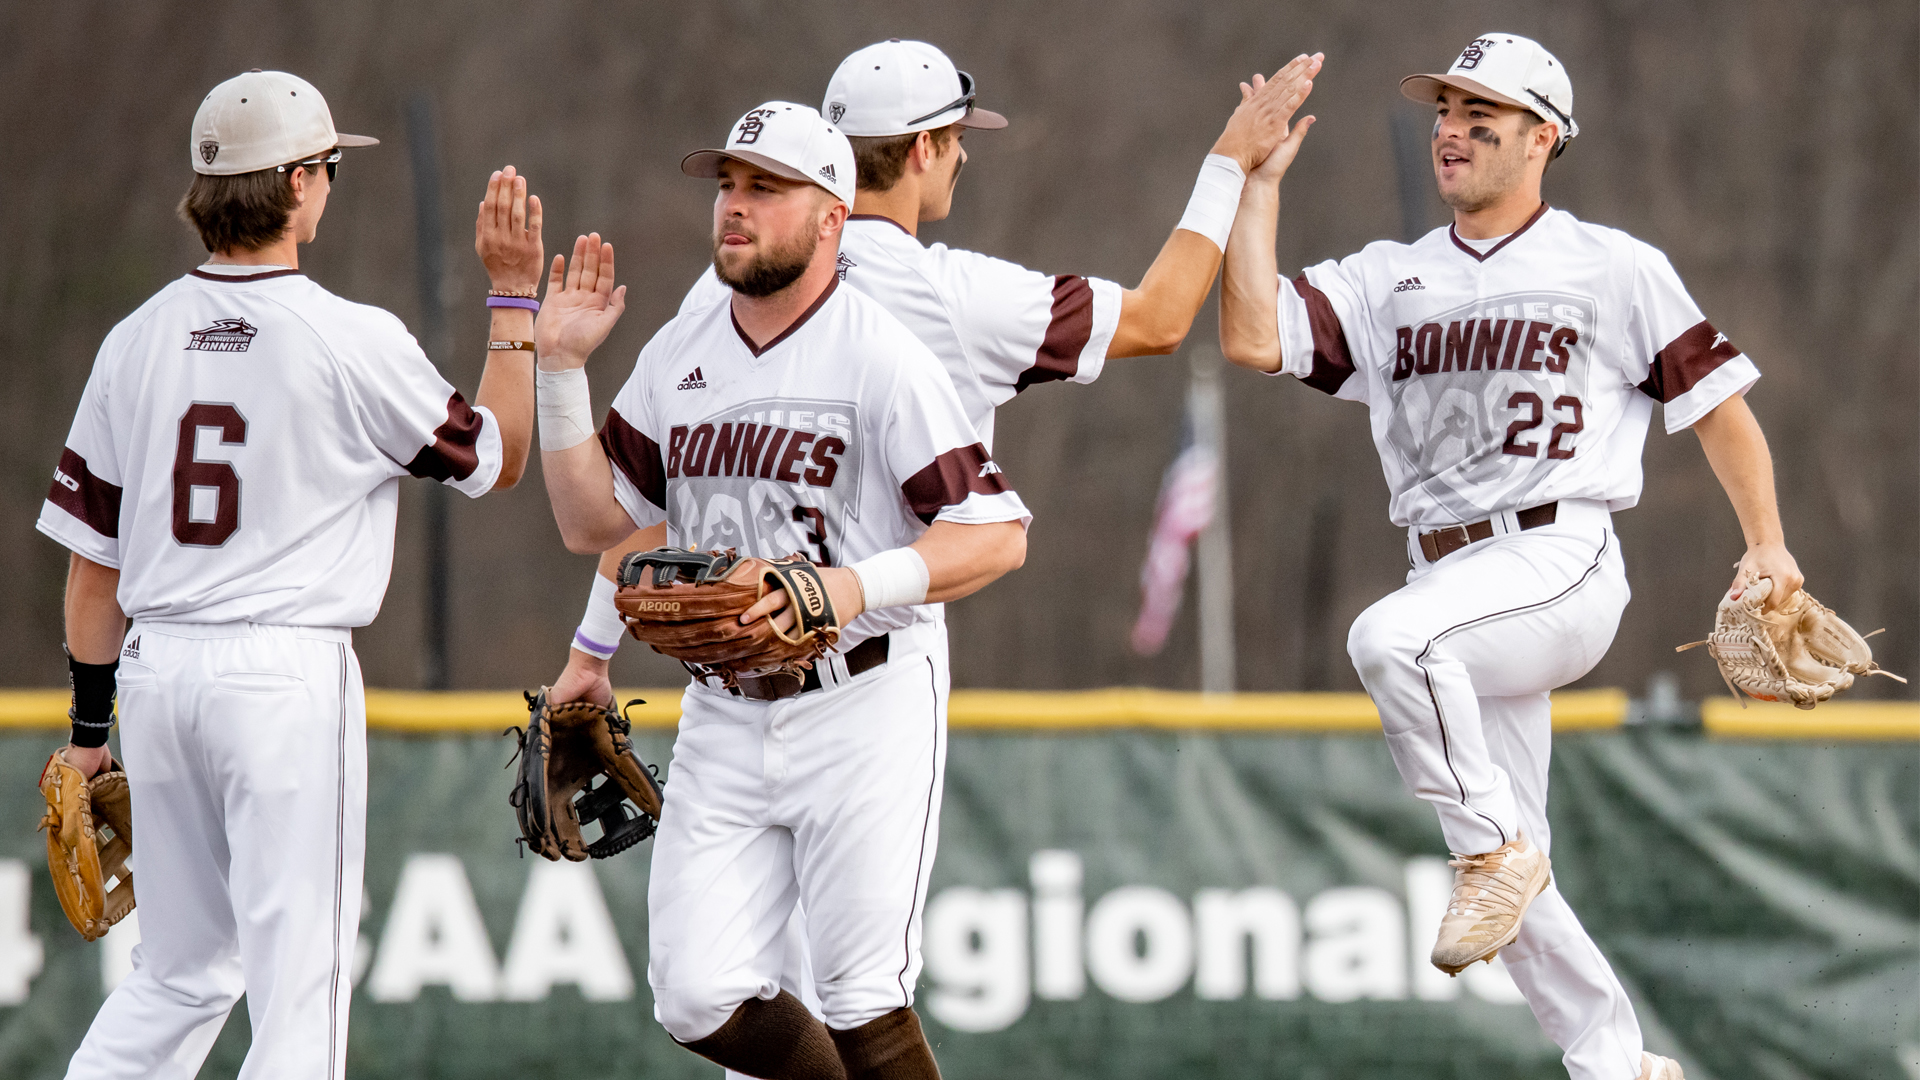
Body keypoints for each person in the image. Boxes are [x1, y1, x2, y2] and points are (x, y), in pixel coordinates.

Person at [1219, 33, 1800, 1080]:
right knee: (1510, 855)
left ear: (1543, 138)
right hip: (1448, 577)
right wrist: (1254, 189)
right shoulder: (1387, 277)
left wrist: (1767, 544)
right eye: (1445, 110)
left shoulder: (1612, 266)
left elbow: (1719, 409)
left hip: (1559, 555)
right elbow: (1256, 336)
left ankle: (1490, 852)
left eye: (1479, 115)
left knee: (1393, 648)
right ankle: (1614, 1062)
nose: (1451, 130)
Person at [551, 39, 1318, 744]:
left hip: (731, 687)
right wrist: (1226, 163)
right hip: (874, 672)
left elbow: (652, 502)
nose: (959, 159)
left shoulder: (729, 290)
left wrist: (591, 653)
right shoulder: (956, 294)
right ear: (924, 149)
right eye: (956, 140)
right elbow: (1159, 318)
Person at [36, 70, 542, 1079]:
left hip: (156, 675)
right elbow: (498, 459)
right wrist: (514, 300)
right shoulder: (351, 338)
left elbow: (93, 574)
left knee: (180, 973)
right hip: (282, 679)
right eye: (328, 166)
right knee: (298, 988)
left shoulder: (130, 345)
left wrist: (91, 738)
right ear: (303, 184)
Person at [531, 102, 1030, 1079]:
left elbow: (997, 535)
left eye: (765, 186)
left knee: (861, 993)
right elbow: (597, 524)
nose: (735, 205)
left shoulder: (877, 352)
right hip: (724, 704)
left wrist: (849, 587)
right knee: (694, 995)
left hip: (865, 694)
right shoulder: (682, 352)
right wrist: (557, 373)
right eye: (726, 183)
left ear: (832, 215)